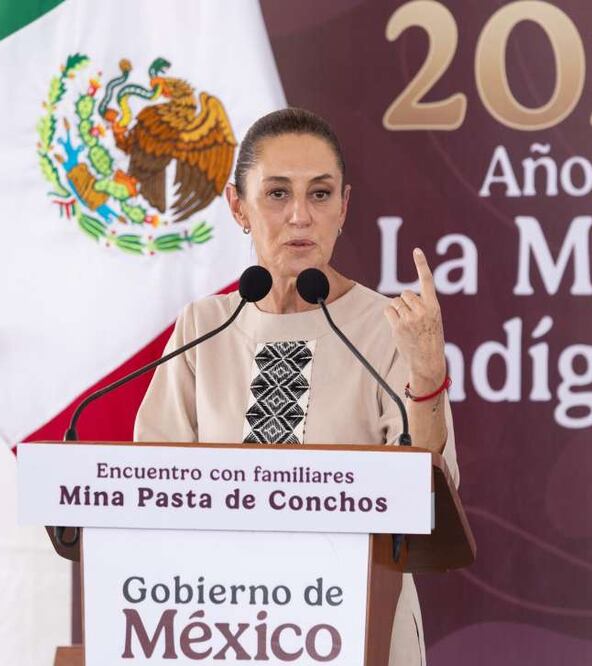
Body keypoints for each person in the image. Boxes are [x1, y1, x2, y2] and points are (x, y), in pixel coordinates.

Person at [134, 107, 459, 666]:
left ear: (344, 208)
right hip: (220, 627)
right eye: (278, 193)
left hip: (360, 624)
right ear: (238, 206)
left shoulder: (388, 327)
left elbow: (425, 493)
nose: (301, 216)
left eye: (320, 194)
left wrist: (427, 376)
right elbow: (149, 491)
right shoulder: (202, 328)